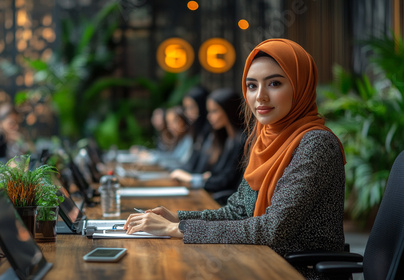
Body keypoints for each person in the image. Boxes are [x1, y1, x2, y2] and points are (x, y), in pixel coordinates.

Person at [124, 39, 346, 279]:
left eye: (274, 83)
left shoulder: (315, 144)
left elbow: (271, 229)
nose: (260, 96)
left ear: (300, 85)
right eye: (252, 86)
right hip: (257, 260)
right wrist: (177, 216)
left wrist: (177, 229)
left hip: (298, 272)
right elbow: (237, 211)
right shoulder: (264, 140)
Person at [170, 88, 246, 205]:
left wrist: (193, 179)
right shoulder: (226, 139)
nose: (209, 116)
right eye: (209, 111)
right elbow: (218, 175)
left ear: (228, 110)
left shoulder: (240, 140)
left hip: (225, 204)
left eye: (214, 111)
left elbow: (225, 180)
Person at [180, 86, 213, 173]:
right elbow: (191, 164)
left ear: (202, 106)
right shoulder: (197, 130)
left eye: (191, 107)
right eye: (186, 108)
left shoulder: (213, 132)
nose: (187, 112)